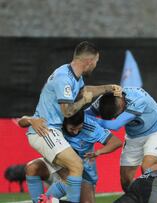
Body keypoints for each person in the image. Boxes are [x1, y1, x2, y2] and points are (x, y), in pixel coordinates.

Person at [21, 41, 120, 203]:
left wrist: (108, 88)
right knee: (76, 166)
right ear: (89, 61)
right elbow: (67, 111)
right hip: (47, 130)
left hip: (53, 133)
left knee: (70, 175)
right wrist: (83, 102)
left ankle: (45, 201)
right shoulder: (64, 78)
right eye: (96, 62)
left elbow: (85, 92)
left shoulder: (73, 77)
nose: (95, 66)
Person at [19, 110, 122, 203]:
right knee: (32, 168)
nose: (76, 131)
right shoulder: (54, 119)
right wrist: (31, 120)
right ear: (64, 123)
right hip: (56, 164)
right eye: (73, 129)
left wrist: (98, 152)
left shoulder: (91, 127)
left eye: (79, 128)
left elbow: (116, 142)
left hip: (82, 174)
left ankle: (45, 201)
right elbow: (22, 121)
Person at [86, 87, 157, 192]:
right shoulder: (105, 99)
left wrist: (89, 120)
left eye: (117, 115)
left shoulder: (138, 99)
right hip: (133, 136)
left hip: (156, 130)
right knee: (125, 180)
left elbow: (115, 125)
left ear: (121, 104)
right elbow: (86, 114)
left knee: (147, 167)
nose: (116, 117)